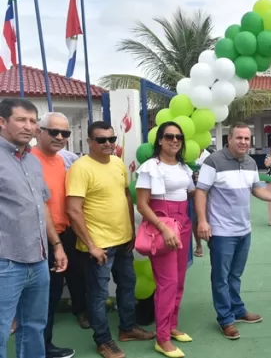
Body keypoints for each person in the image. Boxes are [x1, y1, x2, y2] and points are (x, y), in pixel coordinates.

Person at [195, 122, 271, 340]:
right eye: (239, 138)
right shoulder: (214, 161)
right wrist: (202, 221)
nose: (243, 142)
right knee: (220, 277)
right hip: (221, 231)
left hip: (243, 229)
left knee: (235, 274)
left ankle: (238, 310)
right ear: (229, 139)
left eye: (247, 138)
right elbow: (201, 192)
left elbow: (257, 190)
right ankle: (225, 319)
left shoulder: (250, 162)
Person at [66, 121, 155, 358]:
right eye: (101, 140)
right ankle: (103, 341)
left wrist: (131, 231)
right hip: (97, 246)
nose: (108, 144)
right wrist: (92, 245)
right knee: (98, 295)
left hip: (123, 240)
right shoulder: (80, 168)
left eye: (111, 139)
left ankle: (127, 328)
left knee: (127, 286)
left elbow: (126, 195)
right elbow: (73, 210)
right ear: (89, 142)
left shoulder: (117, 163)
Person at [0, 98, 68, 358]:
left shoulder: (32, 162)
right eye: (21, 120)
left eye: (32, 121)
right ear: (2, 122)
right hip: (6, 262)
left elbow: (42, 206)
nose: (29, 126)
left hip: (39, 261)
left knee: (33, 327)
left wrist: (57, 245)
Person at [136, 122, 195, 358]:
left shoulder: (183, 167)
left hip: (183, 224)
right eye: (169, 136)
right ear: (159, 140)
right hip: (163, 226)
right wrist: (163, 228)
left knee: (179, 280)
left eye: (178, 136)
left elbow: (190, 192)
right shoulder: (151, 166)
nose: (174, 140)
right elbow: (142, 204)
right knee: (167, 283)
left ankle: (171, 327)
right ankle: (162, 338)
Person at [33, 112, 87, 358]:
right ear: (39, 131)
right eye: (53, 131)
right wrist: (55, 244)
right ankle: (40, 348)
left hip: (63, 235)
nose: (59, 137)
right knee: (42, 298)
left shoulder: (63, 161)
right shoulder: (29, 160)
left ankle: (43, 345)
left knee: (51, 295)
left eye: (64, 133)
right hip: (40, 239)